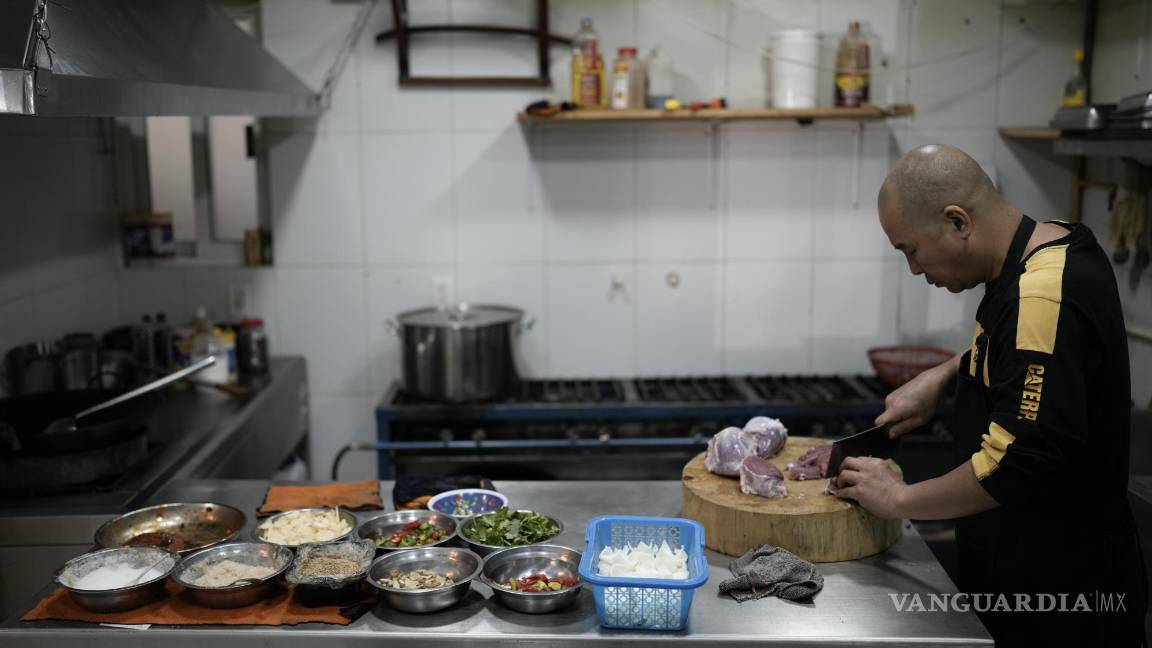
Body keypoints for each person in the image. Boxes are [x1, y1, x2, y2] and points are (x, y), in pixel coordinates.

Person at [833, 144, 1147, 646]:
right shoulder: (1052, 246)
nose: (914, 269)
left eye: (910, 249)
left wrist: (898, 499)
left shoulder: (1043, 292)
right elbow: (1028, 350)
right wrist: (946, 373)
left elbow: (1015, 464)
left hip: (1059, 597)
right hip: (1023, 570)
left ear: (958, 221)